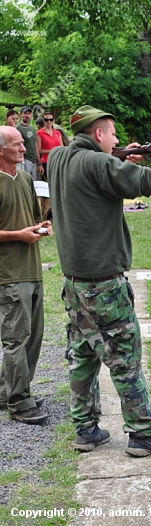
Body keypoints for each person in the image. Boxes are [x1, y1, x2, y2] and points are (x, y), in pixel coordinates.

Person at [48, 105, 151, 455]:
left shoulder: (59, 158)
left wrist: (124, 156)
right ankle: (142, 434)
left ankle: (86, 429)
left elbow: (101, 170)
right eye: (112, 133)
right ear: (97, 134)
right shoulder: (98, 163)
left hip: (74, 284)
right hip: (104, 286)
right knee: (125, 359)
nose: (118, 139)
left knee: (83, 355)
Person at [0, 126, 52, 424]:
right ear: (1, 150)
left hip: (32, 269)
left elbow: (32, 218)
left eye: (23, 144)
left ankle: (8, 391)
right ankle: (19, 402)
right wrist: (17, 234)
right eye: (17, 145)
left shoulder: (25, 178)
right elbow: (15, 230)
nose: (24, 149)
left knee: (34, 335)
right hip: (8, 273)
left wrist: (39, 229)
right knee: (16, 338)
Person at [17, 106, 43, 181]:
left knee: (34, 182)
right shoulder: (18, 128)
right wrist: (23, 159)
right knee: (26, 181)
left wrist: (40, 163)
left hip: (34, 160)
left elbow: (35, 146)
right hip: (25, 160)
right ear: (21, 114)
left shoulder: (32, 128)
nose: (27, 115)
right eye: (25, 113)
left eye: (29, 113)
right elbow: (17, 146)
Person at [36, 112, 63, 180]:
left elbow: (62, 147)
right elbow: (38, 150)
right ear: (43, 120)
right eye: (46, 120)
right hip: (46, 162)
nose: (48, 121)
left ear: (53, 120)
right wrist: (39, 164)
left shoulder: (57, 133)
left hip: (58, 161)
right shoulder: (39, 133)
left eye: (50, 119)